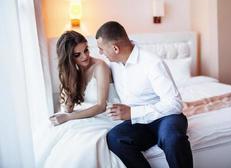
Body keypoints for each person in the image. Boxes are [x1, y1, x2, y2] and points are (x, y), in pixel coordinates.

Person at [96, 21, 193, 168]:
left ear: (115, 48)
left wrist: (133, 112)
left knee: (173, 139)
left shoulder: (152, 63)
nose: (100, 53)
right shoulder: (112, 64)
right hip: (139, 122)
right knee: (114, 138)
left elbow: (175, 104)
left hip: (165, 117)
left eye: (101, 49)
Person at [49, 30, 111, 125]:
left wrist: (68, 118)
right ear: (68, 58)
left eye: (86, 50)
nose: (85, 56)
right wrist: (68, 75)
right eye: (77, 55)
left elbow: (101, 106)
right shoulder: (74, 72)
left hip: (103, 116)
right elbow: (68, 108)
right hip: (85, 117)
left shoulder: (100, 67)